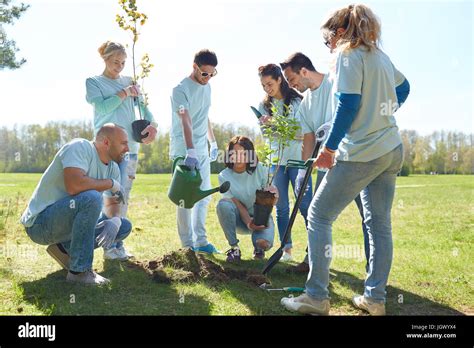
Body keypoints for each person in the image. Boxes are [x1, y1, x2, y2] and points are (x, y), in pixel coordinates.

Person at [281, 4, 410, 316]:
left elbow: (347, 105)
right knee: (379, 223)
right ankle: (375, 299)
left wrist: (329, 149)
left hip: (362, 152)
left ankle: (316, 296)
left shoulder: (347, 55)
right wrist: (381, 116)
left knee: (319, 215)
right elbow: (404, 89)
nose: (329, 46)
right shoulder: (380, 55)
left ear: (339, 32)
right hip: (391, 148)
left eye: (328, 40)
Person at [280, 52, 370, 274]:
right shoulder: (306, 104)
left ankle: (372, 268)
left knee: (368, 216)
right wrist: (303, 171)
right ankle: (313, 261)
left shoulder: (336, 81)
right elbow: (309, 138)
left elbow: (353, 107)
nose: (292, 86)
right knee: (317, 215)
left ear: (303, 71)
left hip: (355, 157)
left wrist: (334, 127)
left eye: (292, 80)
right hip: (326, 162)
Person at [20, 124, 133, 285]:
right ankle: (79, 272)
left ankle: (63, 249)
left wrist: (115, 219)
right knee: (91, 198)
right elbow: (74, 186)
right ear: (107, 142)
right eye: (123, 143)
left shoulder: (113, 168)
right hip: (40, 224)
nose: (127, 148)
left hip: (64, 224)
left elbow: (113, 201)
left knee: (123, 226)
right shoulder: (79, 147)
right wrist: (109, 183)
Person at [86, 41, 158, 261]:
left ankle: (117, 243)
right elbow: (102, 107)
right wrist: (124, 93)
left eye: (123, 62)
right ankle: (106, 246)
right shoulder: (94, 82)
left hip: (129, 148)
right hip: (105, 149)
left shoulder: (131, 81)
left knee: (122, 195)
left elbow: (143, 107)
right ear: (105, 59)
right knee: (107, 195)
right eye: (115, 61)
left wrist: (153, 125)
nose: (119, 66)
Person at [169, 49, 220, 254]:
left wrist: (213, 142)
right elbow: (185, 119)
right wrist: (190, 151)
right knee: (185, 197)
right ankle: (187, 245)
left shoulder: (207, 88)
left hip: (201, 148)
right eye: (204, 73)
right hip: (184, 149)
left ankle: (201, 242)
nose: (208, 78)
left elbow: (203, 115)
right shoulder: (180, 90)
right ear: (194, 67)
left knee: (204, 194)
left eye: (212, 74)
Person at [257, 64, 307, 262]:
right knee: (281, 207)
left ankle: (313, 249)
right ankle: (286, 249)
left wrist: (276, 125)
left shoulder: (298, 102)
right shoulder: (263, 106)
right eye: (263, 85)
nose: (267, 89)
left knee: (304, 204)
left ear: (280, 79)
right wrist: (277, 129)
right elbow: (266, 135)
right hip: (275, 162)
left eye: (269, 83)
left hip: (297, 160)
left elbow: (303, 133)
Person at [216, 136, 277, 261]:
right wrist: (249, 222)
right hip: (239, 219)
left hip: (261, 219)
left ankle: (259, 249)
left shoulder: (261, 169)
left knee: (263, 243)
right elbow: (237, 204)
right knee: (223, 204)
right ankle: (234, 249)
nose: (238, 157)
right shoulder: (224, 176)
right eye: (235, 153)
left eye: (243, 154)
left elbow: (270, 200)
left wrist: (275, 195)